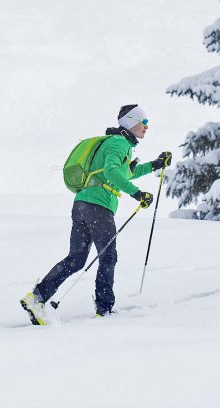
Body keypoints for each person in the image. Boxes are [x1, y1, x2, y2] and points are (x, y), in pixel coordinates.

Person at [21, 104, 172, 325]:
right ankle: (105, 309)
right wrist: (137, 194)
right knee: (108, 256)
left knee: (76, 259)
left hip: (82, 203)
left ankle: (37, 298)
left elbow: (126, 173)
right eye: (144, 122)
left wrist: (156, 165)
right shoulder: (119, 143)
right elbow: (112, 172)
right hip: (98, 206)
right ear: (131, 122)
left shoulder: (114, 143)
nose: (147, 127)